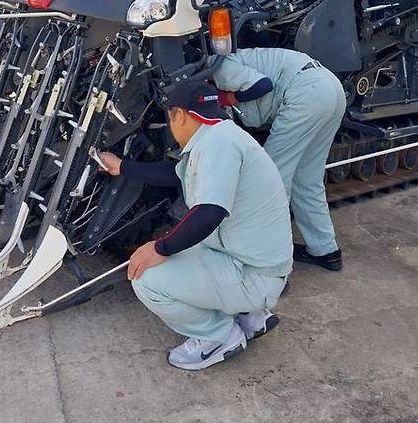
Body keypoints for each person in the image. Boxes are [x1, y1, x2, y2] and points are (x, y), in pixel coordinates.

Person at [98, 78, 293, 372]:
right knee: (185, 242)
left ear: (179, 115)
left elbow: (209, 213)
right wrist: (122, 166)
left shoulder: (217, 144)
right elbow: (176, 173)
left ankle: (219, 337)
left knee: (146, 277)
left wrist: (160, 248)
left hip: (254, 275)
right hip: (255, 261)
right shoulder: (222, 135)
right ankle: (251, 316)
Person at [210, 48, 346, 271]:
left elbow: (262, 85)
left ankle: (273, 267)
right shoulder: (241, 58)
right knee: (307, 178)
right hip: (329, 87)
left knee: (270, 180)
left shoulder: (218, 65)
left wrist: (224, 97)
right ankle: (326, 251)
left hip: (305, 93)